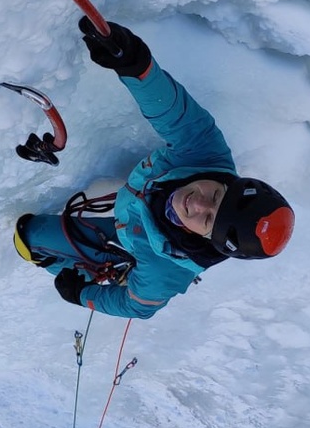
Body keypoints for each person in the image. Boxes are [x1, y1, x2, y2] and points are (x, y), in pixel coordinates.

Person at [15, 19, 295, 320]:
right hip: (132, 211)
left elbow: (136, 306)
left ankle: (92, 264)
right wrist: (137, 67)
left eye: (209, 219)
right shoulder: (207, 156)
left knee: (29, 236)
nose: (198, 203)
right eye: (215, 196)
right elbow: (173, 112)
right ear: (227, 181)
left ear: (205, 239)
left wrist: (82, 295)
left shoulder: (164, 272)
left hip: (133, 240)